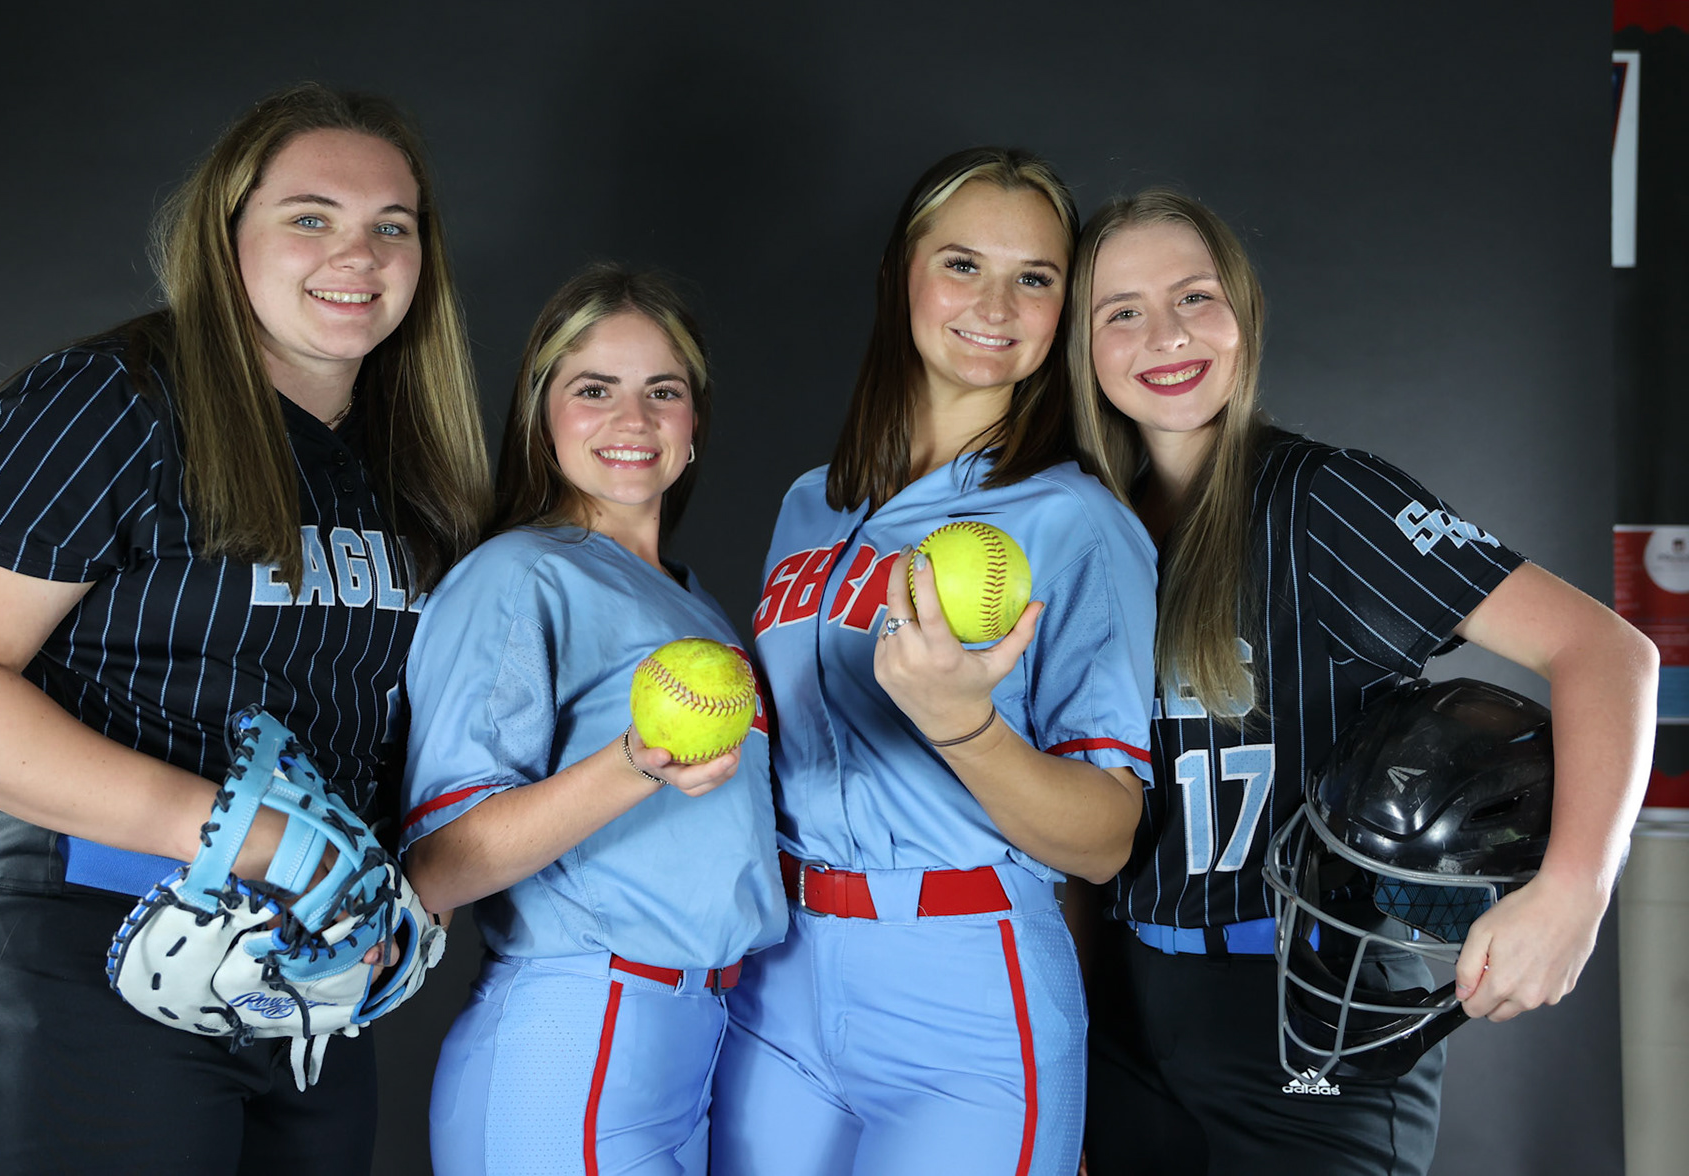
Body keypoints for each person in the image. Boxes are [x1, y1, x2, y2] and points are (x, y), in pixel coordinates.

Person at [0, 84, 492, 1175]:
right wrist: (243, 833)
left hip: (308, 979)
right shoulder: (109, 402)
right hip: (102, 944)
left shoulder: (408, 472)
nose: (360, 252)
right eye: (311, 217)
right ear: (226, 233)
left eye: (395, 225)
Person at [1066, 188, 1659, 1175]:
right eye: (1120, 310)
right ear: (1082, 348)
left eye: (1194, 296)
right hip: (1130, 1017)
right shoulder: (1095, 530)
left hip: (1308, 1004)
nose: (1164, 334)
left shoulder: (1323, 497)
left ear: (1242, 313)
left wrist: (1573, 889)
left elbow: (1608, 652)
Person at [709, 147, 1160, 1176]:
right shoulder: (808, 502)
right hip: (780, 968)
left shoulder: (1076, 519)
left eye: (1035, 276)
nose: (995, 303)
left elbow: (1105, 838)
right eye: (962, 264)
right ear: (900, 276)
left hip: (964, 975)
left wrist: (967, 724)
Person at [400, 265, 787, 1176]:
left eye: (664, 391)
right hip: (575, 1034)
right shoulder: (519, 575)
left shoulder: (692, 602)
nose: (634, 420)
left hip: (702, 1039)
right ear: (543, 415)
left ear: (694, 425)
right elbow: (441, 866)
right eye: (594, 390)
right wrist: (634, 763)